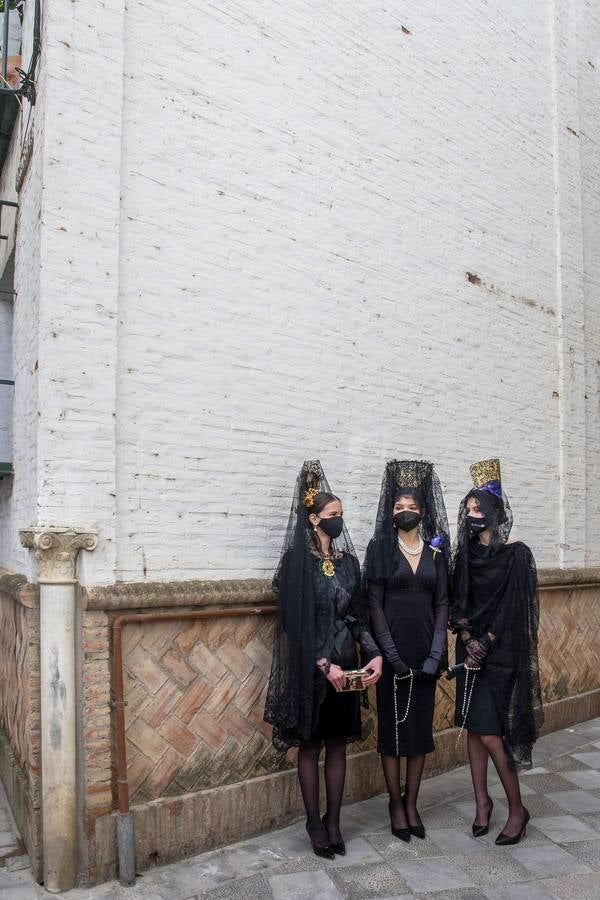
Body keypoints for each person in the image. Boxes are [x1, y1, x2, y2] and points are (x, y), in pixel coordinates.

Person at [264, 460, 383, 858]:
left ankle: (335, 820)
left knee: (338, 747)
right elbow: (291, 622)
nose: (339, 521)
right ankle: (314, 823)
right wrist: (321, 662)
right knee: (311, 748)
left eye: (341, 516)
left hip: (347, 663)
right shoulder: (296, 563)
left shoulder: (349, 563)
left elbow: (357, 614)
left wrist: (376, 655)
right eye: (332, 516)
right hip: (313, 670)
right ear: (313, 519)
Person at [450, 458, 544, 845]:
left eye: (478, 509)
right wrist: (468, 639)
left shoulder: (517, 556)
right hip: (470, 650)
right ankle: (481, 804)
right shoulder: (465, 557)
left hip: (500, 653)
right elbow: (458, 602)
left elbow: (514, 610)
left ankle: (518, 809)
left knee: (491, 734)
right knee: (475, 728)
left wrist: (484, 643)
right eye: (468, 509)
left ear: (494, 514)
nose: (472, 515)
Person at [365, 460, 449, 841]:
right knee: (392, 732)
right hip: (392, 653)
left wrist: (435, 655)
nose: (404, 512)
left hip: (425, 654)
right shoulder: (380, 548)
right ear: (390, 511)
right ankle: (394, 804)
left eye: (411, 507)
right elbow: (374, 604)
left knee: (418, 732)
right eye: (398, 507)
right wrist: (392, 656)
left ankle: (412, 801)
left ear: (424, 511)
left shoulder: (436, 552)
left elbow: (443, 604)